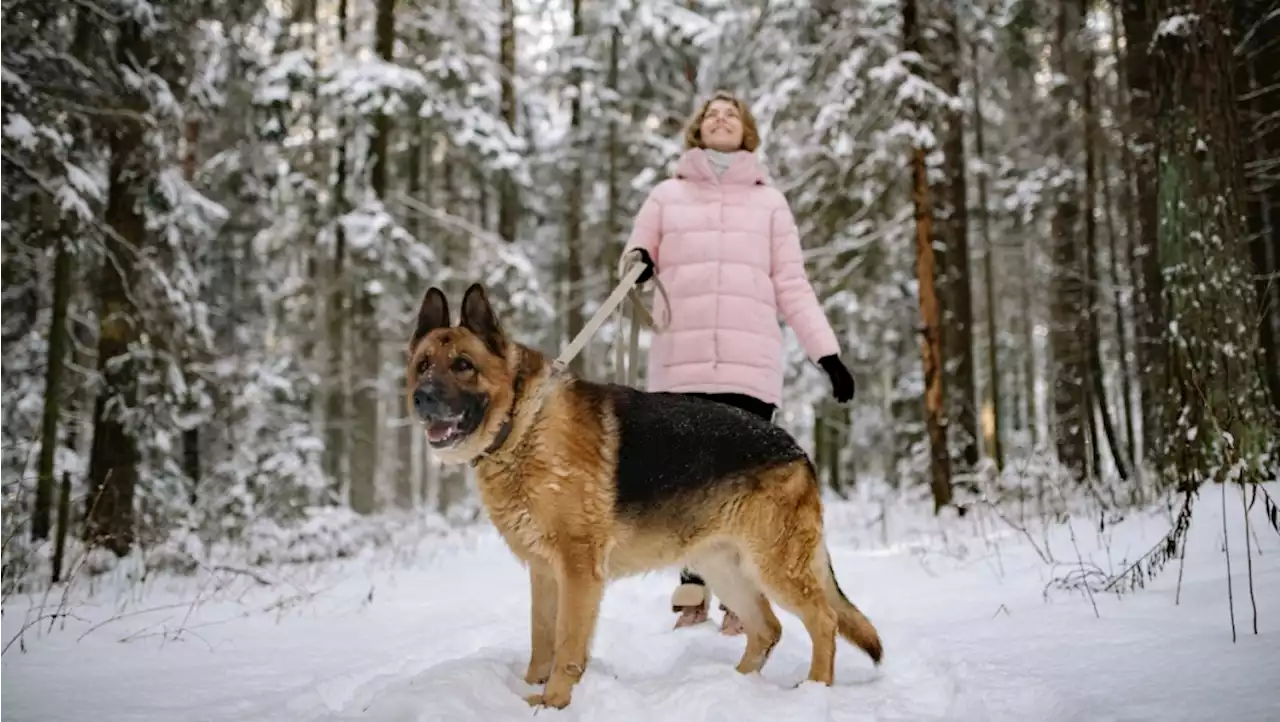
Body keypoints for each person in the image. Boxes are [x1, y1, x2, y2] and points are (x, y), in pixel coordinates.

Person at [620, 90, 856, 634]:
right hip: (681, 362)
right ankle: (692, 586)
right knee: (680, 479)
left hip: (749, 366)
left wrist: (828, 354)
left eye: (731, 113)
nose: (720, 118)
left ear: (747, 131)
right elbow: (635, 254)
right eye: (711, 114)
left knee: (742, 486)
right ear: (697, 130)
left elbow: (792, 284)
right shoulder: (666, 196)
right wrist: (638, 264)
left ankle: (739, 597)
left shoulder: (770, 204)